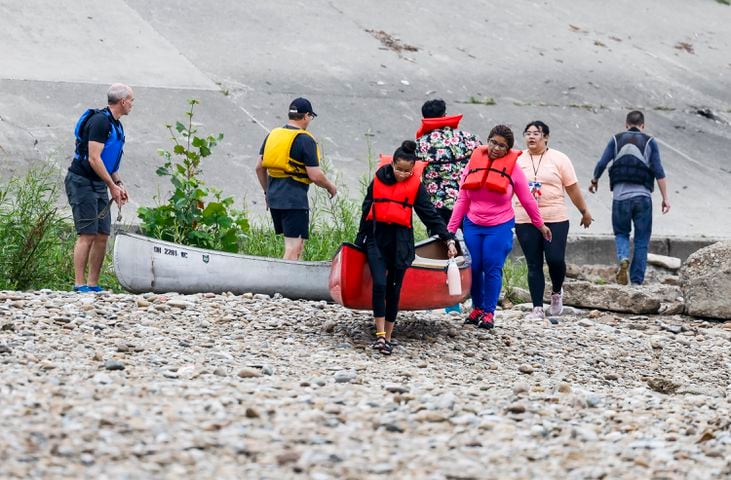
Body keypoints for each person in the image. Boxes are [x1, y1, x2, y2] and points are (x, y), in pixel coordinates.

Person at [355, 140, 458, 355]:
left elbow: (429, 215)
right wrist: (359, 240)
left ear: (413, 170)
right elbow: (366, 210)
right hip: (377, 239)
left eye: (407, 171)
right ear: (392, 164)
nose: (402, 174)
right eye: (399, 169)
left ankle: (389, 337)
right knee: (380, 284)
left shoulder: (415, 186)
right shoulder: (377, 181)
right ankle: (380, 335)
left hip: (401, 242)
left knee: (394, 289)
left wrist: (448, 239)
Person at [448, 125, 552, 329]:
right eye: (493, 142)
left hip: (499, 226)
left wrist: (540, 225)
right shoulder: (473, 163)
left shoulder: (513, 169)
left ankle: (488, 312)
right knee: (474, 267)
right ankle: (476, 308)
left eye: (502, 146)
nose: (496, 148)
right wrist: (450, 230)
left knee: (492, 266)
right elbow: (462, 199)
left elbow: (527, 200)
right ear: (487, 141)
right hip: (473, 224)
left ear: (508, 149)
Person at [514, 121, 593, 320]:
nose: (531, 137)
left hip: (555, 218)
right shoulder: (517, 160)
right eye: (528, 133)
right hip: (525, 219)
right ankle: (538, 307)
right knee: (534, 263)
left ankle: (557, 292)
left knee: (555, 259)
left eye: (536, 133)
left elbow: (572, 188)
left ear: (546, 137)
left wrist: (584, 211)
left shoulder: (559, 159)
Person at [65, 83, 133, 292]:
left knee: (102, 234)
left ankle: (93, 284)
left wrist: (118, 183)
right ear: (123, 101)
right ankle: (79, 283)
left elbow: (108, 161)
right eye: (131, 100)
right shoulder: (99, 122)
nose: (132, 104)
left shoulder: (117, 125)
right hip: (82, 181)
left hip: (100, 182)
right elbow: (94, 158)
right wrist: (111, 186)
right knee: (87, 233)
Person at [589, 110, 670, 285]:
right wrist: (665, 198)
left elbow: (602, 163)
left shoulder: (616, 139)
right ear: (643, 125)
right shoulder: (650, 142)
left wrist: (594, 180)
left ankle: (623, 257)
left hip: (620, 199)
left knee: (621, 233)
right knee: (641, 240)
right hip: (643, 199)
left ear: (626, 125)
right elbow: (659, 172)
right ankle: (636, 282)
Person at [255, 97, 337, 260]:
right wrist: (330, 186)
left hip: (275, 198)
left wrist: (267, 193)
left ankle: (282, 283)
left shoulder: (273, 135)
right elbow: (315, 175)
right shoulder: (305, 139)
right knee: (295, 248)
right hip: (294, 200)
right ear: (306, 116)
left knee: (290, 246)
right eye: (310, 117)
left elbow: (259, 167)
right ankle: (281, 284)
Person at [415, 98, 482, 226]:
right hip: (467, 200)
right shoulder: (468, 138)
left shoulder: (420, 145)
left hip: (438, 203)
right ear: (445, 115)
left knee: (440, 242)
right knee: (470, 241)